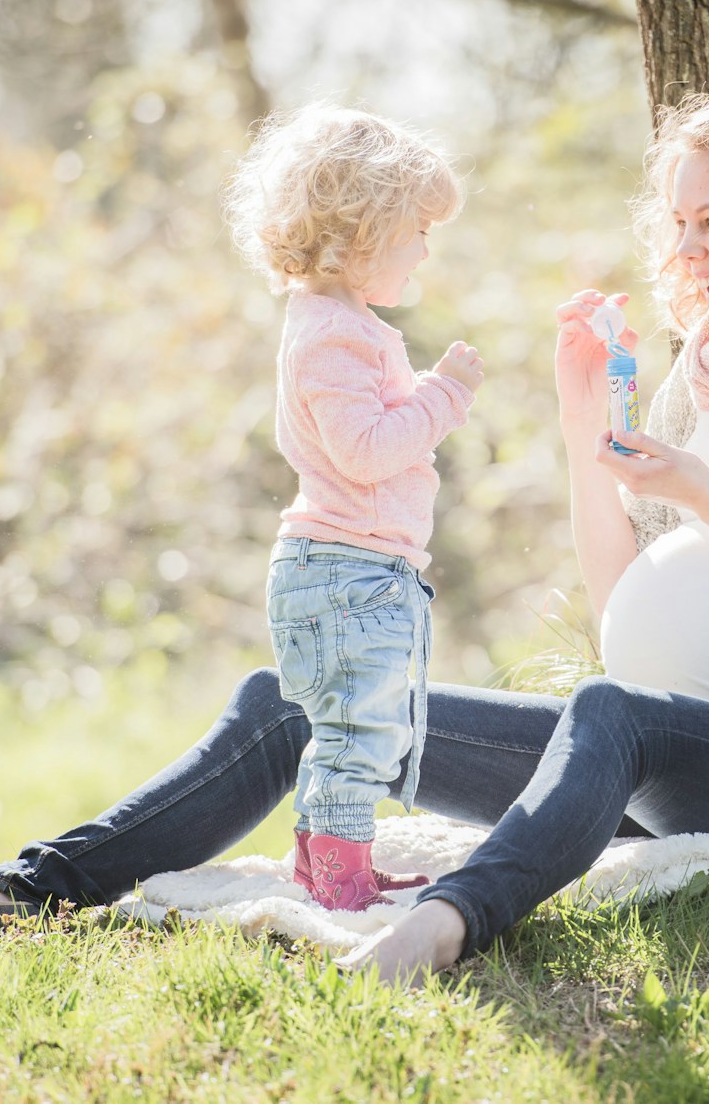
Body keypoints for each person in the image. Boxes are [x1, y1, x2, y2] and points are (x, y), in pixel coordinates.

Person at [0, 86, 709, 992]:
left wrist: (708, 495)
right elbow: (624, 610)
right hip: (618, 761)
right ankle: (21, 890)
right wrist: (580, 427)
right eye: (681, 221)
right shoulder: (700, 374)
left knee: (605, 713)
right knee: (302, 695)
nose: (690, 248)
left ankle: (445, 925)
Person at [228, 106, 485, 910]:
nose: (425, 249)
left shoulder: (336, 325)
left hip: (349, 566)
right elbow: (367, 449)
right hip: (349, 568)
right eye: (416, 229)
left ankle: (328, 866)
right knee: (359, 731)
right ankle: (341, 882)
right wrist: (444, 397)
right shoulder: (335, 334)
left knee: (347, 724)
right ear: (360, 231)